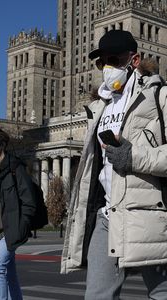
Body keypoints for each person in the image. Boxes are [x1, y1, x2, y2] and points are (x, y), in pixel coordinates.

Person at [61, 29, 167, 299]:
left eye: (114, 60)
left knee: (161, 293)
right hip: (107, 216)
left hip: (148, 215)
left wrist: (133, 157)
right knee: (97, 295)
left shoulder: (159, 97)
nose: (108, 68)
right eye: (102, 62)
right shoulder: (99, 108)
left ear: (134, 60)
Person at [0, 127, 36, 300]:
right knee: (9, 274)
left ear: (2, 144)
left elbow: (29, 202)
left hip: (12, 230)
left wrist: (21, 227)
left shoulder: (15, 168)